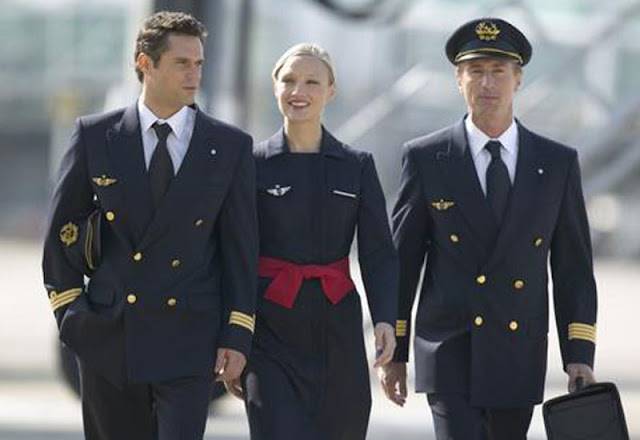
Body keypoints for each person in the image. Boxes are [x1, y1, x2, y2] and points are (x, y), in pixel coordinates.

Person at [42, 11, 258, 440]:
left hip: (189, 340)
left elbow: (241, 249)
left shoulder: (229, 145)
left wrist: (237, 334)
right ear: (145, 63)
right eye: (182, 62)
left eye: (199, 63)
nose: (194, 73)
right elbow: (60, 236)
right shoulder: (95, 136)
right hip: (110, 337)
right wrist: (74, 317)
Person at [380, 17, 598, 440]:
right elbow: (402, 263)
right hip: (448, 348)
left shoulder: (556, 164)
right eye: (475, 71)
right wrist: (397, 352)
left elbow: (573, 268)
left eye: (499, 71)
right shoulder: (426, 157)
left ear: (518, 80)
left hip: (517, 351)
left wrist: (579, 354)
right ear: (457, 80)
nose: (487, 83)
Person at [237, 43, 398, 440]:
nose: (299, 90)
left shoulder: (356, 166)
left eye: (312, 81)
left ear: (331, 91)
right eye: (289, 80)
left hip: (337, 329)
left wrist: (384, 319)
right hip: (270, 330)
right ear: (274, 87)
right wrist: (234, 337)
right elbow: (236, 254)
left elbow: (378, 251)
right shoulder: (250, 166)